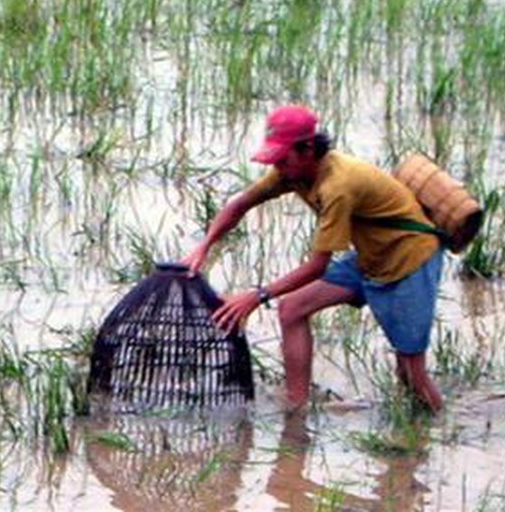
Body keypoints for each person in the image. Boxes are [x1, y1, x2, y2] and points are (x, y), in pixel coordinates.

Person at [182, 105, 445, 413]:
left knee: (411, 374)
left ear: (308, 149)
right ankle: (297, 407)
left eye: (283, 159)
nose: (278, 167)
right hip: (369, 256)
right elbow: (239, 206)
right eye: (274, 159)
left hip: (409, 260)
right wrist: (204, 246)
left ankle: (437, 433)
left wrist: (257, 296)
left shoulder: (338, 186)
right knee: (292, 309)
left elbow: (316, 266)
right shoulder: (291, 173)